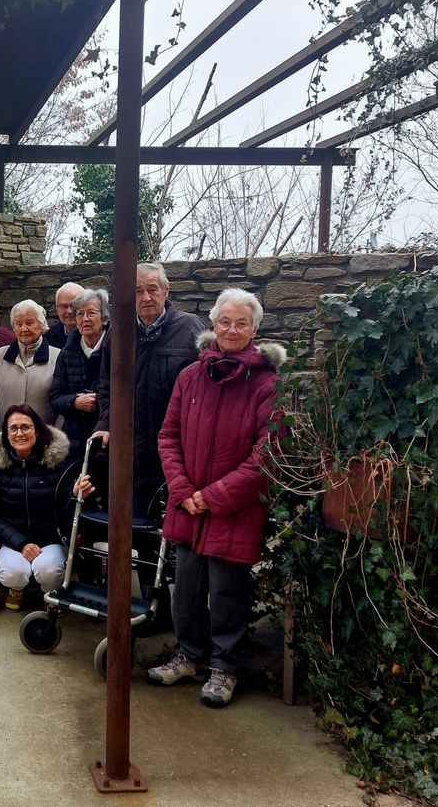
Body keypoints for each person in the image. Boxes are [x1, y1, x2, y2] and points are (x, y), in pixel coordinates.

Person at [146, 288, 285, 709]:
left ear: (255, 330)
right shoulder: (190, 376)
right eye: (225, 321)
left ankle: (225, 668)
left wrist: (214, 496)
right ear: (213, 324)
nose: (232, 329)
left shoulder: (267, 384)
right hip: (188, 504)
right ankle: (190, 656)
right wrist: (183, 491)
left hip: (234, 509)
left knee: (227, 593)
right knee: (185, 589)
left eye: (242, 323)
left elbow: (267, 454)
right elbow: (168, 436)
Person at [93, 263, 205, 503]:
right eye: (137, 291)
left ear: (166, 290)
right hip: (130, 450)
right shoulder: (118, 332)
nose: (146, 297)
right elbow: (106, 386)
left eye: (152, 289)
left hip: (176, 450)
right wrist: (105, 423)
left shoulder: (190, 329)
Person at [0, 405, 81, 611]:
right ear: (6, 434)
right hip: (13, 541)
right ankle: (16, 589)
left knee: (49, 570)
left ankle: (50, 594)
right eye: (13, 428)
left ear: (37, 430)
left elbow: (67, 515)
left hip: (50, 539)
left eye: (26, 427)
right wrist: (22, 543)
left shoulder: (57, 465)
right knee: (12, 573)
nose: (19, 433)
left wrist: (74, 496)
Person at [0, 300, 60, 429]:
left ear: (42, 325)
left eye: (29, 322)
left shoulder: (57, 357)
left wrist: (55, 435)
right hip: (6, 436)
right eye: (18, 324)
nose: (24, 329)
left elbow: (62, 402)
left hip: (45, 436)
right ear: (13, 328)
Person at [49, 289, 110, 460]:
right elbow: (55, 396)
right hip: (74, 440)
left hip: (107, 437)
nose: (85, 319)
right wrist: (74, 402)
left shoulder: (116, 350)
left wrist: (98, 401)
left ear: (104, 318)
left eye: (91, 313)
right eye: (80, 314)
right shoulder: (67, 353)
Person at [45, 281, 84, 349]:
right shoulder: (49, 337)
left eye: (74, 305)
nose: (69, 311)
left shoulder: (97, 335)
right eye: (64, 306)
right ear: (57, 309)